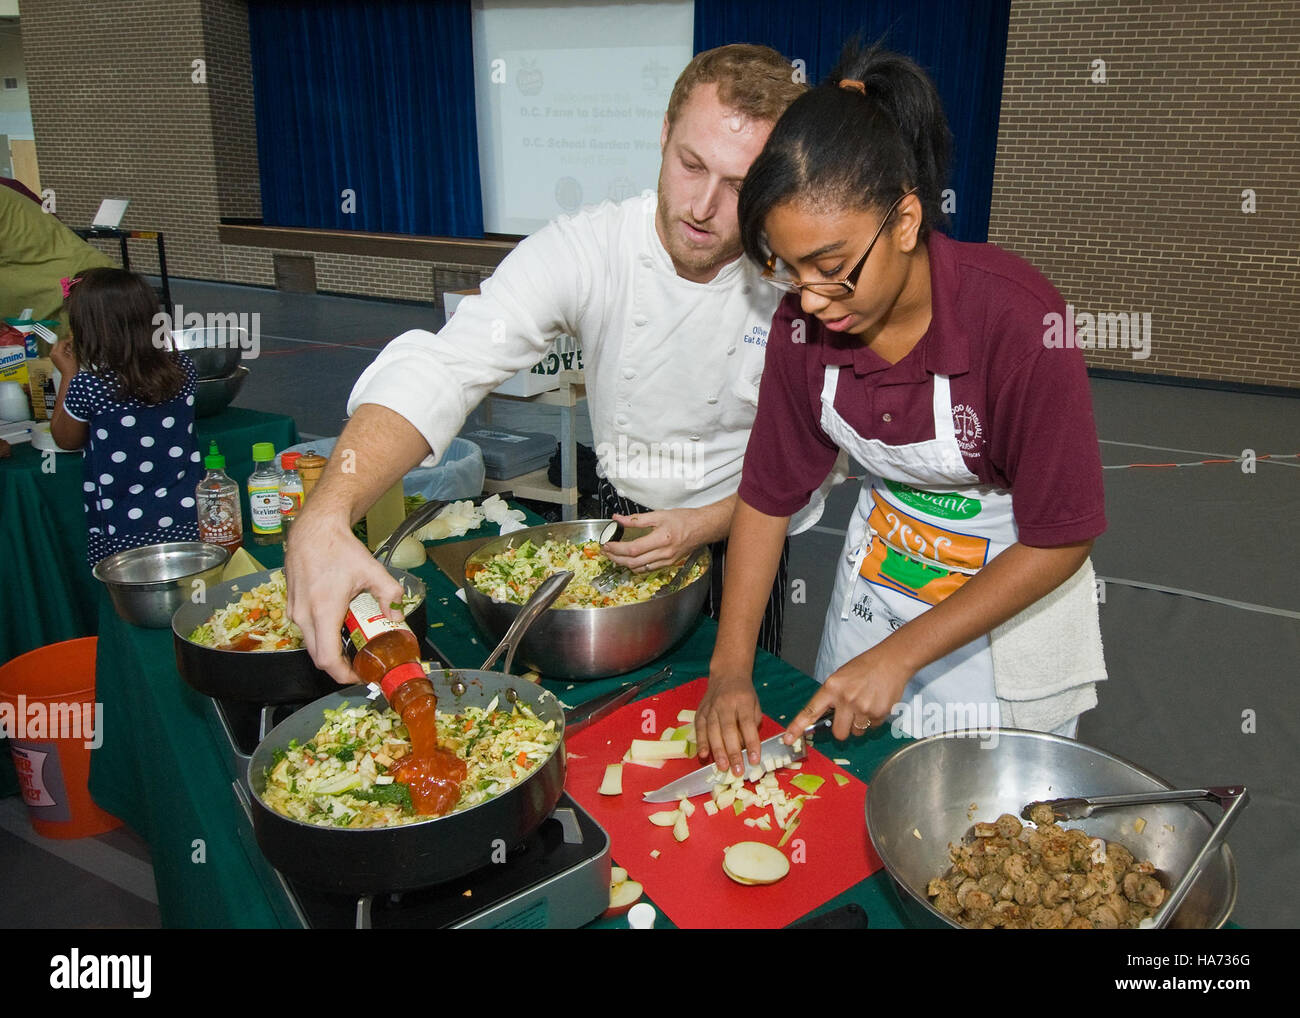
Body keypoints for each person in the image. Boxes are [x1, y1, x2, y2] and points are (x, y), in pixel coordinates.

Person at [287, 45, 817, 684]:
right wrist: (327, 511)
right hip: (616, 518)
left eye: (738, 186)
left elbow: (818, 461)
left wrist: (703, 524)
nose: (703, 207)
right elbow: (449, 364)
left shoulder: (799, 285)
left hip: (744, 531)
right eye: (691, 165)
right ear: (663, 136)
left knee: (734, 710)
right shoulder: (590, 250)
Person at [695, 43, 1108, 775]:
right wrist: (732, 666)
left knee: (987, 827)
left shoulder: (1020, 322)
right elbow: (767, 497)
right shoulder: (805, 325)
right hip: (879, 596)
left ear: (908, 220)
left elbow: (1060, 537)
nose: (811, 298)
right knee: (849, 796)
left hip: (1007, 607)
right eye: (786, 271)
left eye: (832, 269)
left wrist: (905, 655)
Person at [50, 268, 203, 565]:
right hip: (188, 515)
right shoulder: (182, 368)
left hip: (124, 527)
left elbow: (65, 439)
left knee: (136, 601)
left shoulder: (89, 385)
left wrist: (69, 373)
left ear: (88, 327)